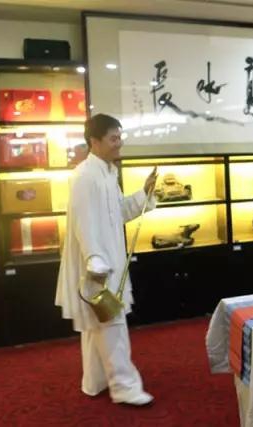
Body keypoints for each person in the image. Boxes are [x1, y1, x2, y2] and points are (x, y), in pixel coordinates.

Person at [55, 114, 158, 406]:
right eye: (113, 138)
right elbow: (84, 224)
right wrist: (95, 262)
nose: (119, 143)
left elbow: (119, 212)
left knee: (96, 322)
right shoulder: (84, 176)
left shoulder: (107, 173)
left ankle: (94, 381)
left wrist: (144, 193)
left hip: (106, 258)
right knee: (112, 323)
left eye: (119, 137)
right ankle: (124, 387)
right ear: (94, 141)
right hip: (98, 264)